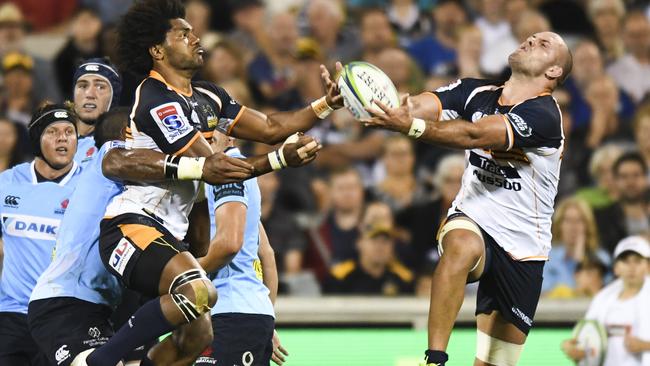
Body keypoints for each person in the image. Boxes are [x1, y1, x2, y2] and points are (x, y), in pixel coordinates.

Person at [80, 1, 341, 364]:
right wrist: (283, 158)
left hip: (170, 236)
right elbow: (213, 166)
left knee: (199, 332)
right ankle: (98, 362)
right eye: (183, 34)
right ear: (157, 50)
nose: (196, 38)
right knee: (200, 290)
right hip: (131, 227)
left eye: (193, 31)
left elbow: (271, 128)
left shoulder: (209, 96)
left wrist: (325, 105)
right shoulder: (154, 98)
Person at [362, 31, 573, 366]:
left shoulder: (545, 116)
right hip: (472, 215)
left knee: (494, 362)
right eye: (531, 38)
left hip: (524, 247)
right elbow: (415, 106)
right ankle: (434, 359)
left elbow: (475, 134)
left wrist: (410, 127)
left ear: (554, 72)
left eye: (543, 44)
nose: (530, 41)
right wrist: (359, 98)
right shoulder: (475, 90)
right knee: (461, 245)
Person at [195, 134, 287, 366]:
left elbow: (230, 246)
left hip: (230, 310)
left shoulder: (227, 170)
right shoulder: (238, 175)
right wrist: (265, 315)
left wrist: (181, 276)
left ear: (230, 138)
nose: (200, 140)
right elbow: (266, 253)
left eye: (209, 136)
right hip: (244, 312)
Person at [0, 103, 82, 365]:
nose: (62, 138)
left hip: (65, 316)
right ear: (36, 139)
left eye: (69, 131)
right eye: (53, 132)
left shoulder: (91, 187)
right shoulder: (6, 183)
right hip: (13, 314)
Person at [561, 236, 650, 365]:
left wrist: (645, 345)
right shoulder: (602, 299)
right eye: (625, 261)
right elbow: (587, 341)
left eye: (637, 261)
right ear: (616, 268)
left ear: (647, 266)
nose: (632, 267)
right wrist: (574, 349)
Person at [324, 223, 414, 296]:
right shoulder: (340, 277)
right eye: (374, 240)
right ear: (359, 243)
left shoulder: (404, 278)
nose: (380, 246)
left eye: (385, 241)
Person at [70, 57, 122, 167]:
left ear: (114, 97)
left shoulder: (122, 145)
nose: (89, 94)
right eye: (83, 86)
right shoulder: (55, 140)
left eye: (100, 87)